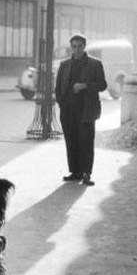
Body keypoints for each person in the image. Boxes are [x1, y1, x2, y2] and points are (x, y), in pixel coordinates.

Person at [54, 33, 107, 186]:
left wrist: (85, 86)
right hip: (68, 111)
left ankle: (86, 173)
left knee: (86, 142)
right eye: (74, 47)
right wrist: (61, 104)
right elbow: (58, 88)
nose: (76, 50)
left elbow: (103, 85)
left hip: (87, 110)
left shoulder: (95, 64)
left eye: (79, 46)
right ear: (71, 47)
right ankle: (75, 172)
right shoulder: (64, 65)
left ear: (84, 47)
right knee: (71, 141)